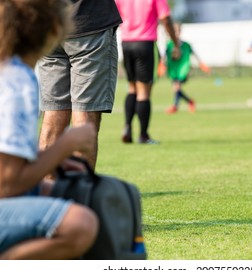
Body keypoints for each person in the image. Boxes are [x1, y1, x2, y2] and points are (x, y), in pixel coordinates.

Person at [0, 0, 99, 260]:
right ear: (56, 28)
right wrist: (67, 144)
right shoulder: (15, 81)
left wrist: (50, 157)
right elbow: (4, 185)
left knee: (57, 196)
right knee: (80, 223)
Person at [37, 0, 122, 169]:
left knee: (53, 113)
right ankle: (79, 192)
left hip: (49, 26)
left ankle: (47, 190)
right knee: (84, 115)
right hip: (89, 25)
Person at [116, 0, 181, 144]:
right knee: (144, 92)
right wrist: (176, 42)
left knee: (132, 87)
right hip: (145, 43)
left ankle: (127, 127)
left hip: (126, 43)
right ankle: (143, 135)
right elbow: (165, 18)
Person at [162, 23, 211, 114]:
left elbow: (194, 54)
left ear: (180, 32)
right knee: (176, 89)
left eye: (177, 31)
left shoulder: (186, 45)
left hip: (182, 71)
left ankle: (175, 106)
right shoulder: (169, 45)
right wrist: (162, 65)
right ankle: (190, 101)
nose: (175, 33)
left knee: (176, 87)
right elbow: (164, 57)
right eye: (174, 31)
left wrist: (201, 64)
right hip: (173, 71)